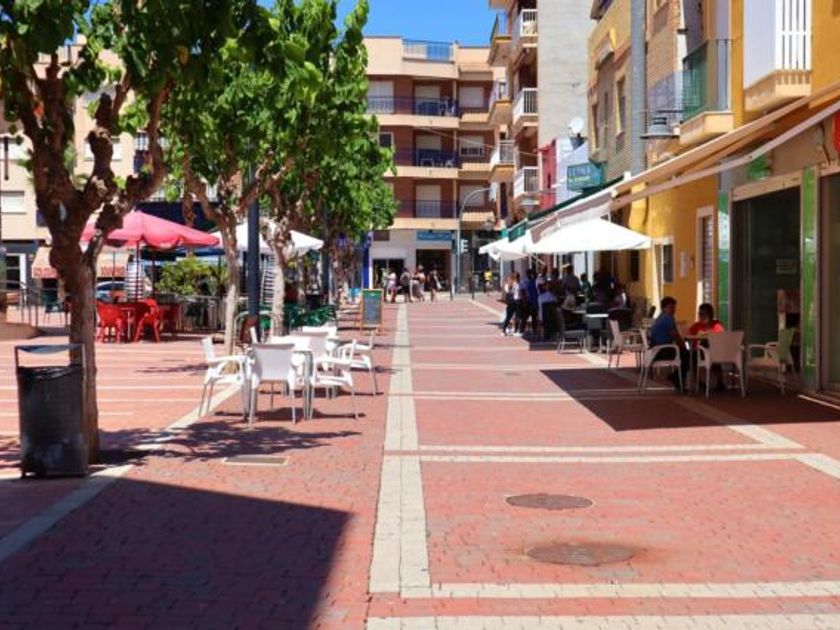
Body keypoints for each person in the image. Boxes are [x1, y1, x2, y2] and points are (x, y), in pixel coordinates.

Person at [649, 296, 689, 392]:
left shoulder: (660, 317)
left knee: (687, 355)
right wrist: (684, 347)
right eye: (670, 307)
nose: (673, 310)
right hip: (662, 351)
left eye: (674, 307)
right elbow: (676, 336)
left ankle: (675, 377)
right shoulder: (667, 318)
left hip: (655, 351)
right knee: (688, 355)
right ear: (664, 308)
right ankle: (677, 380)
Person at [688, 302, 726, 390]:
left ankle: (720, 381)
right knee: (692, 355)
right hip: (699, 352)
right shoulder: (696, 326)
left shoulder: (716, 325)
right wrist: (698, 335)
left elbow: (721, 335)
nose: (701, 316)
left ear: (710, 315)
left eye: (704, 314)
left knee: (711, 352)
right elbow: (688, 336)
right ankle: (698, 382)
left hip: (715, 352)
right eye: (700, 313)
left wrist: (707, 333)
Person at [519, 269, 539, 336]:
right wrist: (524, 302)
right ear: (528, 274)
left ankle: (534, 331)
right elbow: (522, 292)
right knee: (525, 318)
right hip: (528, 302)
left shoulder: (533, 281)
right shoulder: (524, 282)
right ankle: (522, 331)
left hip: (533, 302)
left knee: (534, 318)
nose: (531, 275)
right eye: (531, 274)